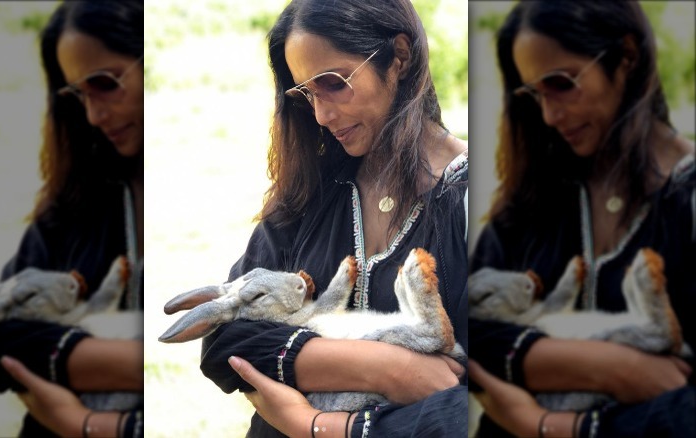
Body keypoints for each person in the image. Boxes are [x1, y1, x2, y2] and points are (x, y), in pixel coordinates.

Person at [197, 0, 470, 436]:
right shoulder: (310, 193)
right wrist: (389, 369)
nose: (321, 116)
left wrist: (316, 423)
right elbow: (223, 338)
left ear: (399, 56)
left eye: (333, 83)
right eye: (306, 93)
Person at [467, 1, 695, 437]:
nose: (549, 116)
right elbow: (460, 333)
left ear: (626, 57)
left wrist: (546, 424)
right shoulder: (533, 196)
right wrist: (611, 367)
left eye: (561, 83)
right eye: (534, 93)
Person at [0, 1, 144, 437]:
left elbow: (227, 353)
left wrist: (83, 422)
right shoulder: (80, 198)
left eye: (105, 83)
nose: (93, 115)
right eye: (79, 93)